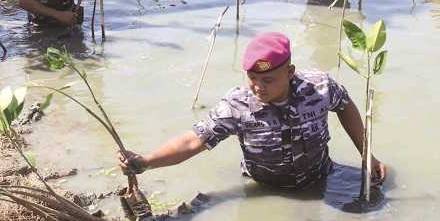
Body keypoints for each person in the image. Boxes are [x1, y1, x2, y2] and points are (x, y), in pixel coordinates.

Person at [118, 32, 387, 191]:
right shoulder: (237, 105)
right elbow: (193, 140)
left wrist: (368, 155)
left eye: (268, 80)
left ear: (290, 73)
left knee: (380, 192)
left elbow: (345, 106)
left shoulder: (319, 87)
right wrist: (147, 161)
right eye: (252, 78)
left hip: (320, 177)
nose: (258, 87)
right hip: (267, 187)